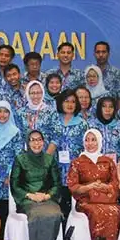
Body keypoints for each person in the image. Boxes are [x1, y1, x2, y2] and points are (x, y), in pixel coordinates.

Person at [66, 129, 120, 240]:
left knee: (115, 211)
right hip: (86, 200)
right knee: (96, 212)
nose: (90, 143)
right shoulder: (77, 162)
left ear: (99, 141)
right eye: (87, 140)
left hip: (105, 199)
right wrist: (89, 187)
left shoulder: (108, 161)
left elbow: (115, 183)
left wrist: (105, 186)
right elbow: (72, 185)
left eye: (93, 140)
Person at [10, 130, 65, 240]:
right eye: (33, 140)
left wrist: (46, 196)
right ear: (28, 143)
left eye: (39, 139)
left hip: (47, 198)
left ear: (43, 142)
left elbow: (57, 184)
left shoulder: (49, 159)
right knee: (37, 214)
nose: (36, 143)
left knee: (55, 214)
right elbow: (14, 185)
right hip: (28, 199)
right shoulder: (20, 159)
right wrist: (30, 195)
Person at [47, 89, 89, 218]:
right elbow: (49, 143)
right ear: (61, 103)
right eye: (66, 101)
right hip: (56, 168)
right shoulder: (53, 120)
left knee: (74, 206)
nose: (70, 104)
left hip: (75, 170)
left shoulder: (82, 123)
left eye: (73, 102)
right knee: (58, 205)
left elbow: (86, 147)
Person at [0, 100, 22, 240]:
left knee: (4, 209)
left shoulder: (15, 132)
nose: (2, 115)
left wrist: (11, 174)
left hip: (7, 177)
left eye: (6, 111)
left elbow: (19, 156)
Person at [89, 96, 120, 162]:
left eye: (111, 106)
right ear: (99, 108)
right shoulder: (91, 125)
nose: (107, 109)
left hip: (116, 163)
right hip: (95, 162)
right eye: (104, 106)